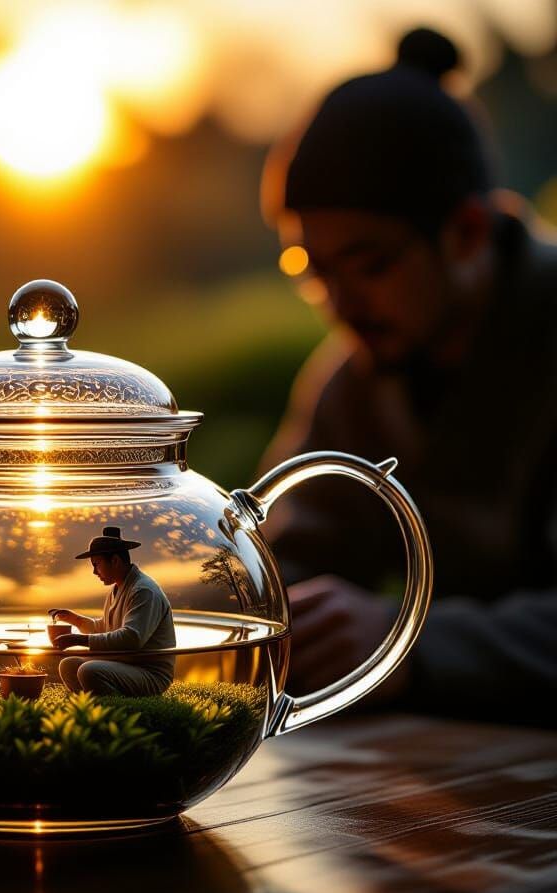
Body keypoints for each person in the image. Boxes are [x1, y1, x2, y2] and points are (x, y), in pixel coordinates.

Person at [258, 28, 557, 722]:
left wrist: (402, 643)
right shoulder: (356, 383)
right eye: (313, 271)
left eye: (369, 265)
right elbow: (283, 556)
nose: (340, 305)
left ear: (467, 233)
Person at [50, 526, 176, 696]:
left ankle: (117, 707)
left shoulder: (143, 591)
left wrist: (79, 640)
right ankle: (92, 703)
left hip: (149, 673)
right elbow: (106, 628)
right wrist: (75, 620)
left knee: (89, 670)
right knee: (68, 665)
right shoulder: (118, 588)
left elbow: (131, 638)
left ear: (115, 561)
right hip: (124, 665)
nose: (94, 572)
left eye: (96, 564)